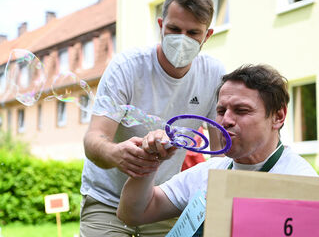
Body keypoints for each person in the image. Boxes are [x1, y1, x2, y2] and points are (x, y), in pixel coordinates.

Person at [80, 0, 226, 236]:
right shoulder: (126, 67)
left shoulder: (214, 74)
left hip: (161, 201)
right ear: (160, 25)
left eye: (193, 33)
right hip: (107, 200)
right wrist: (117, 154)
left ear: (207, 35)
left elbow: (221, 153)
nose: (182, 40)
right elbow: (93, 139)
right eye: (174, 29)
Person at [117, 64, 318, 232]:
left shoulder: (302, 182)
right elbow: (133, 213)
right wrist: (150, 162)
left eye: (241, 110)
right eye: (221, 110)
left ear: (278, 116)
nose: (226, 120)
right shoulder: (210, 171)